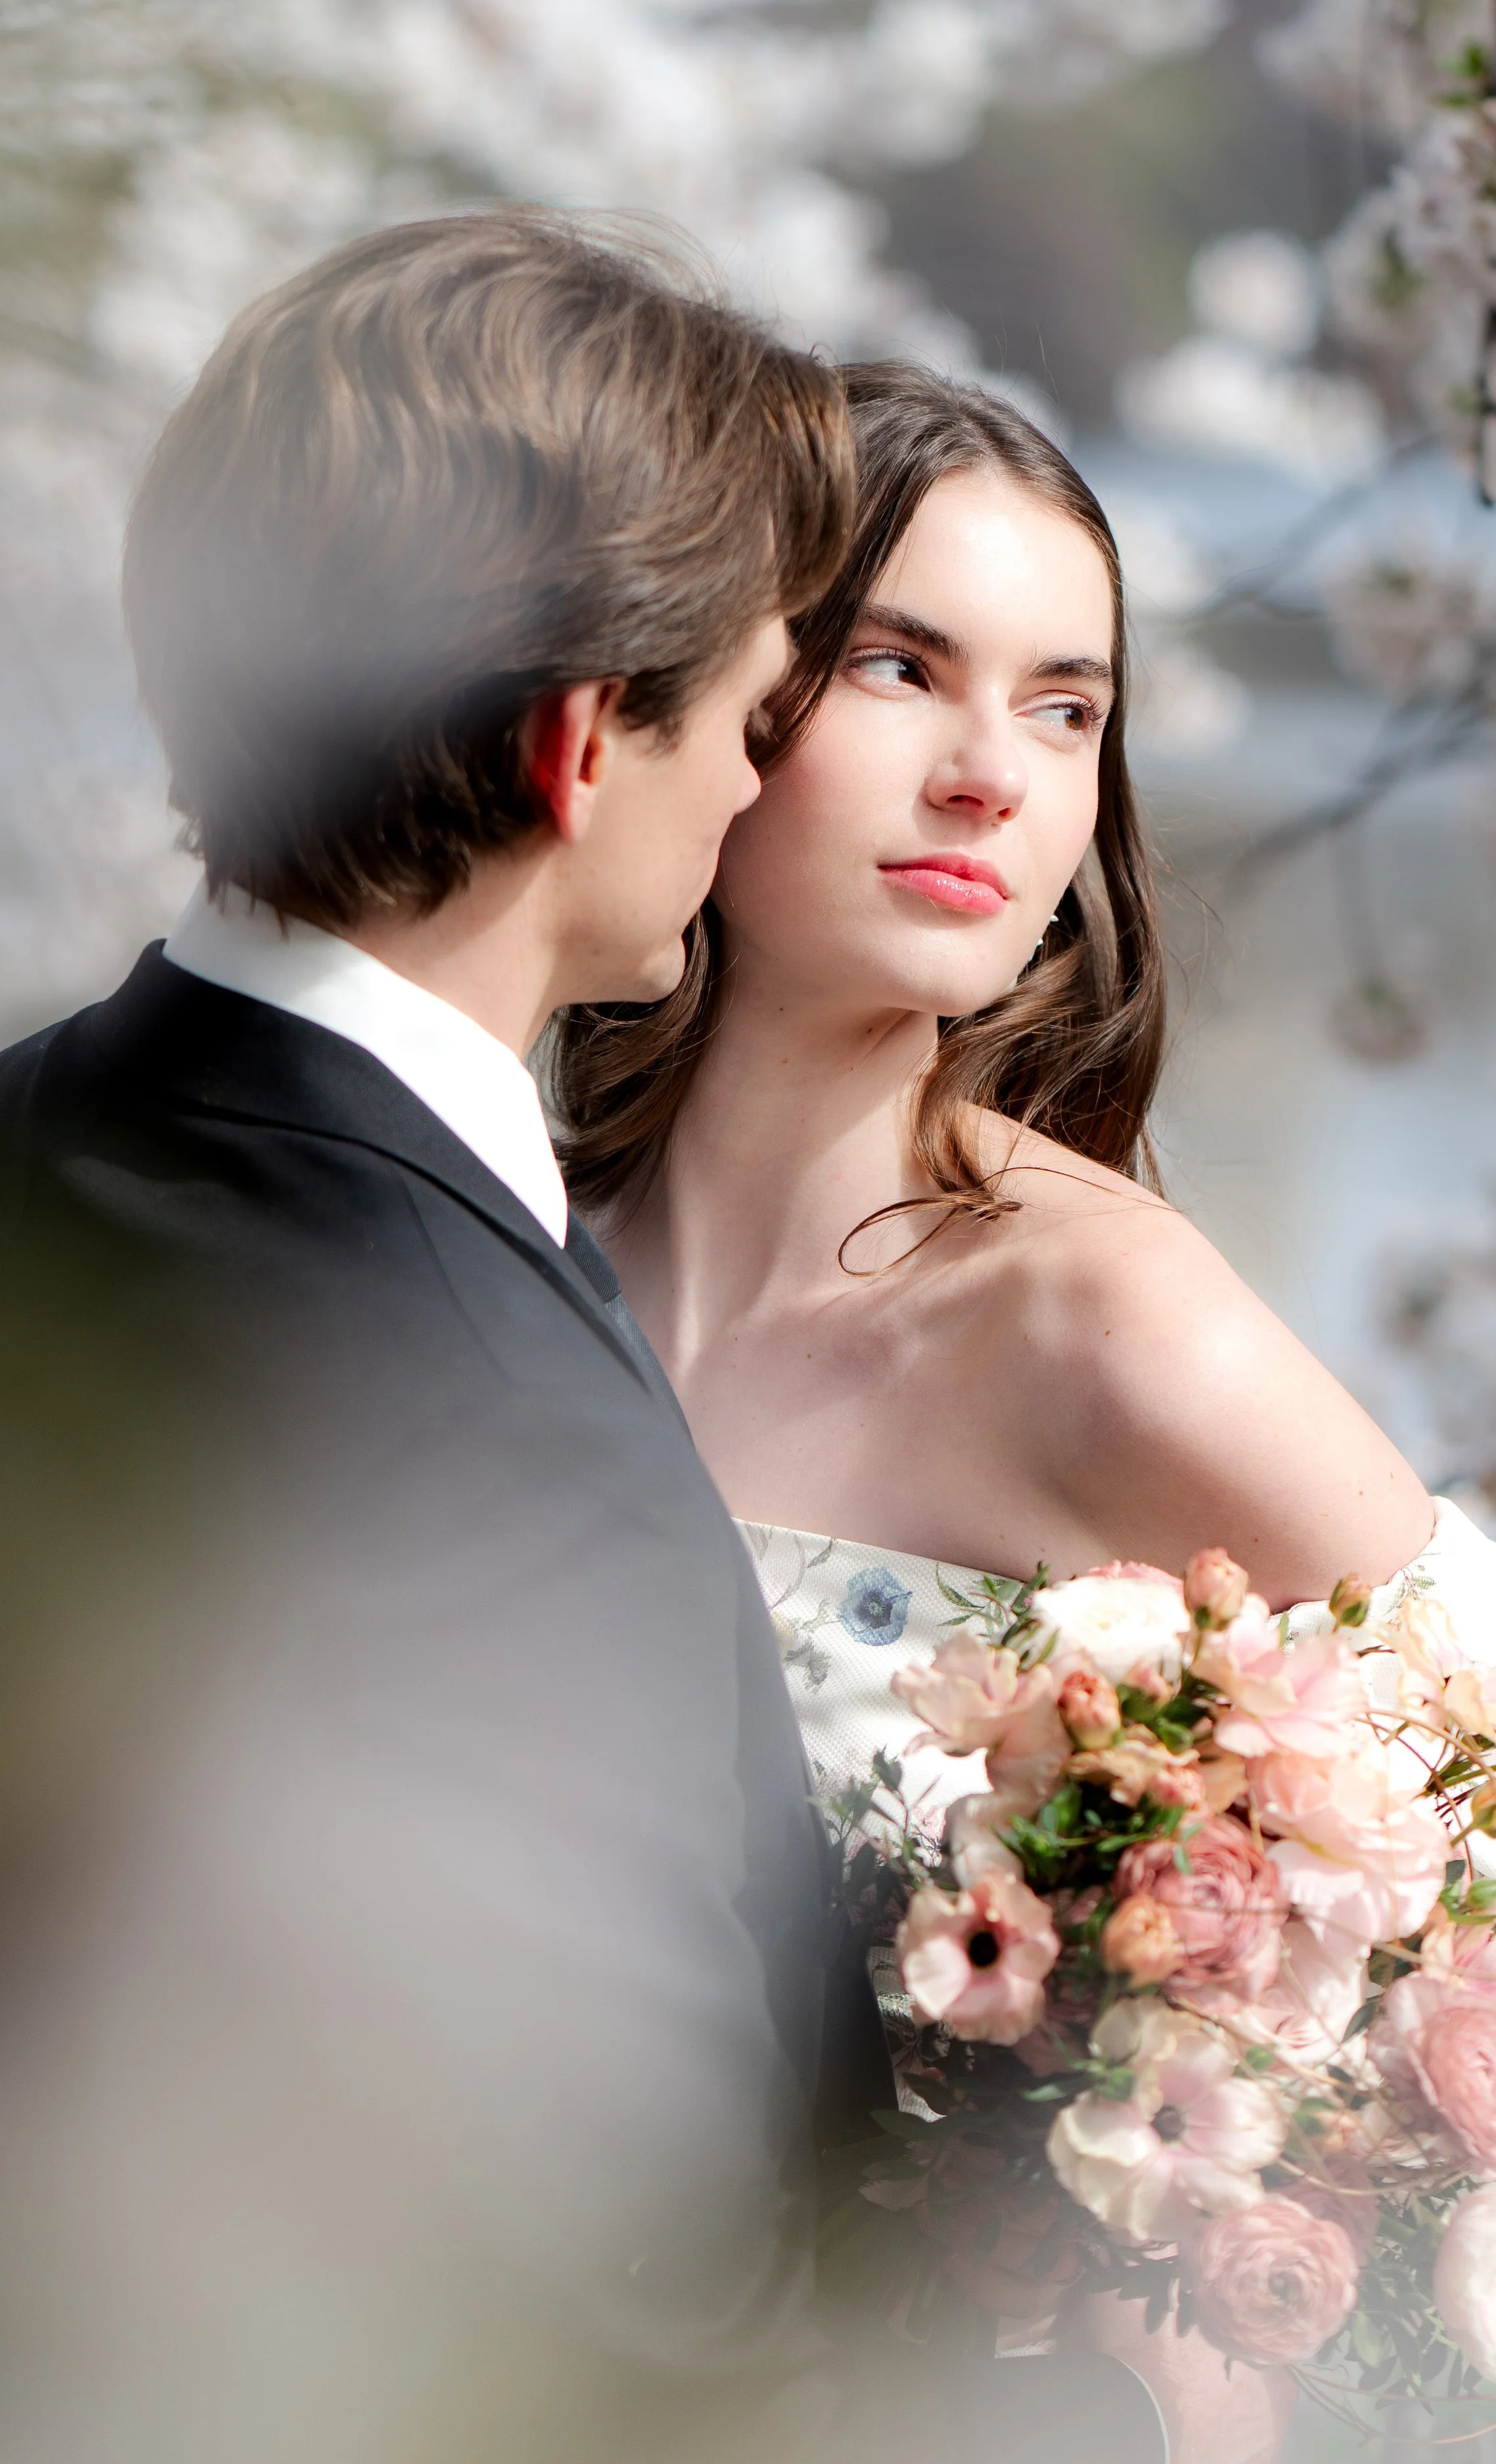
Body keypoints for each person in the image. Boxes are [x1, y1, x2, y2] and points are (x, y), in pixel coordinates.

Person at [555, 361, 1496, 2459]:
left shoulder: (1110, 1326)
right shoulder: (505, 1257)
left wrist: (1266, 2219)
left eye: (1065, 706)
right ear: (712, 691)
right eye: (900, 667)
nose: (992, 775)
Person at [0, 210, 856, 2464]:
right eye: (756, 717)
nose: (766, 791)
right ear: (586, 745)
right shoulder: (488, 1440)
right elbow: (601, 2323)